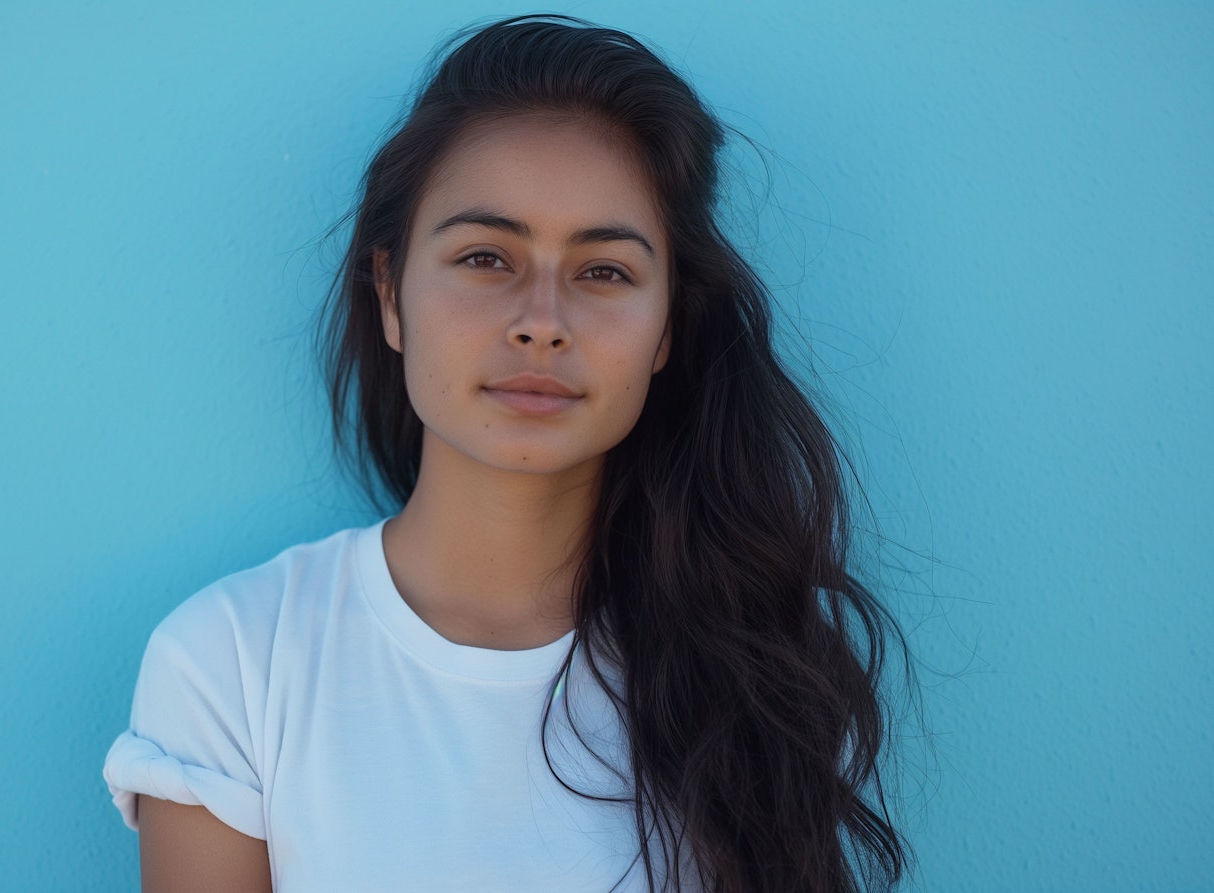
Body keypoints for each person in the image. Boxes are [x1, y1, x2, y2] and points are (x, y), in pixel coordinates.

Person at [104, 15, 913, 892]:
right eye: (486, 257)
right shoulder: (232, 664)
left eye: (604, 270)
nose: (542, 318)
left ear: (668, 325)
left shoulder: (748, 664)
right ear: (390, 295)